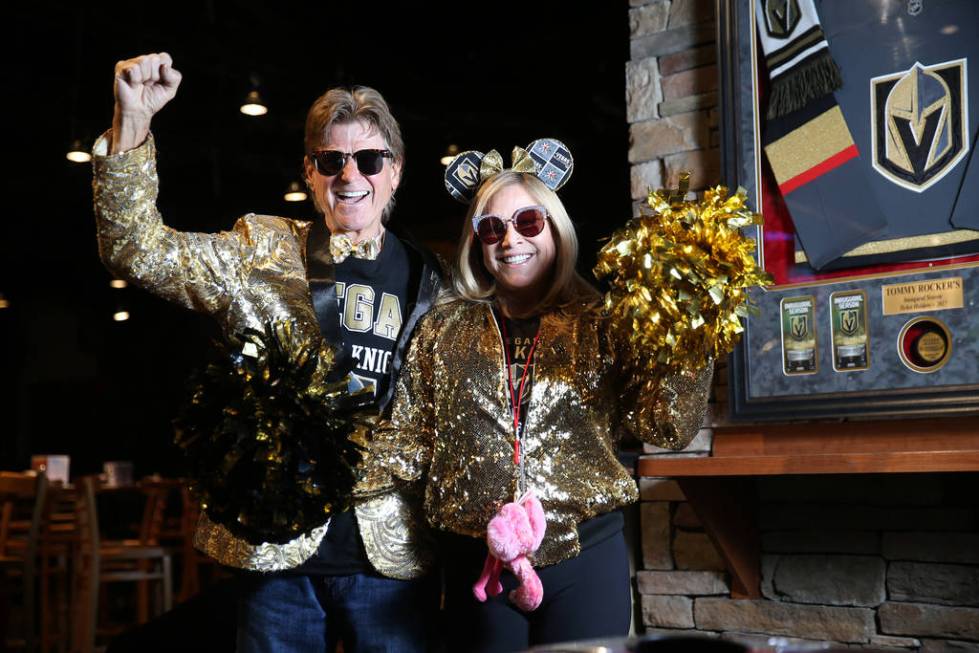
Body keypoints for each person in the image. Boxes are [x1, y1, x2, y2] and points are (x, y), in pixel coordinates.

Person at [92, 52, 441, 652]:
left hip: (391, 553)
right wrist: (132, 124)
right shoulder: (261, 250)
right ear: (309, 172)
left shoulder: (434, 283)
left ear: (396, 171)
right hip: (274, 553)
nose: (349, 176)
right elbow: (137, 251)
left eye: (369, 159)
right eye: (331, 161)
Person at [363, 143, 714, 652]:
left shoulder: (603, 323)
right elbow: (408, 444)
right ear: (477, 243)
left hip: (584, 558)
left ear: (556, 229)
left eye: (528, 222)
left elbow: (669, 427)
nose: (510, 240)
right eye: (492, 228)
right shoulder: (442, 329)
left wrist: (689, 333)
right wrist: (335, 477)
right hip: (476, 563)